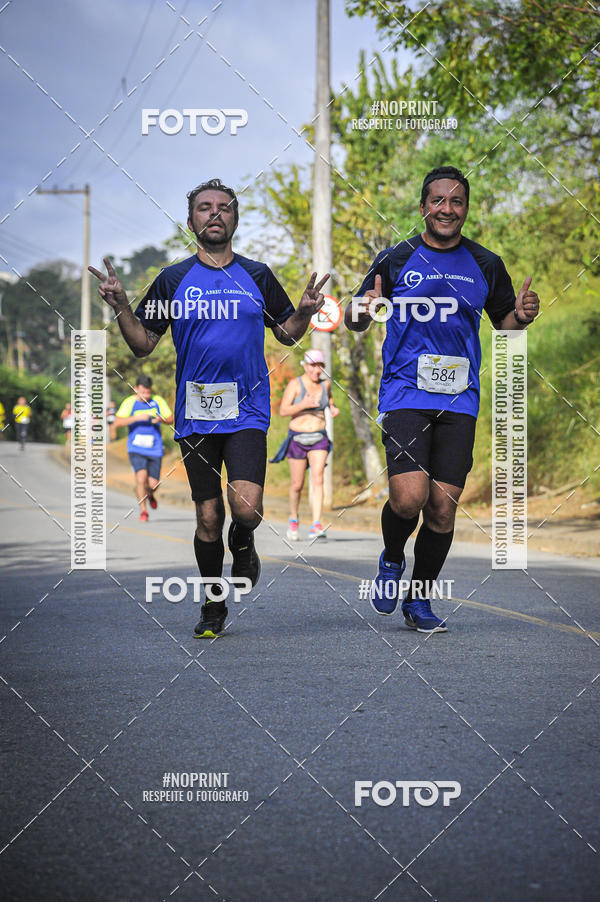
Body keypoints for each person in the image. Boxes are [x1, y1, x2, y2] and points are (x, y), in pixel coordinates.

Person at [90, 178, 328, 638]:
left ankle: (244, 540)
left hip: (248, 410)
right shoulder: (173, 279)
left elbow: (286, 333)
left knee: (247, 509)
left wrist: (303, 312)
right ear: (191, 221)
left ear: (235, 219)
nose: (215, 213)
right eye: (205, 207)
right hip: (196, 414)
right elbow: (142, 344)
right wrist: (121, 306)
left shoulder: (258, 274)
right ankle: (213, 604)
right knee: (207, 516)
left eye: (224, 207)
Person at [346, 165, 540, 634]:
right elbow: (353, 317)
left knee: (442, 506)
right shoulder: (395, 258)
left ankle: (419, 600)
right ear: (423, 207)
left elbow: (505, 326)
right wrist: (363, 310)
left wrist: (520, 316)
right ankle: (392, 558)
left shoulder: (486, 263)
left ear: (466, 209)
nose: (446, 209)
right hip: (405, 392)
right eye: (438, 200)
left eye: (456, 201)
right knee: (409, 498)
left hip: (459, 398)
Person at [274, 349, 339, 540]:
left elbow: (330, 400)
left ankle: (316, 524)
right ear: (305, 366)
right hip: (298, 438)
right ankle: (294, 519)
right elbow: (283, 410)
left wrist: (333, 408)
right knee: (297, 484)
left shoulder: (325, 385)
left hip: (319, 437)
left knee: (318, 478)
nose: (316, 370)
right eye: (313, 365)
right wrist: (303, 405)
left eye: (320, 366)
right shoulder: (296, 384)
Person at [113, 376, 173, 522]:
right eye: (143, 392)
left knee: (153, 484)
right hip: (136, 448)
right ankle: (144, 511)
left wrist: (161, 419)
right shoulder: (129, 402)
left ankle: (150, 494)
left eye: (148, 392)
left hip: (155, 448)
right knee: (141, 478)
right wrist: (135, 418)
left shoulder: (157, 401)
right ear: (136, 389)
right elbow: (117, 422)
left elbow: (171, 419)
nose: (146, 395)